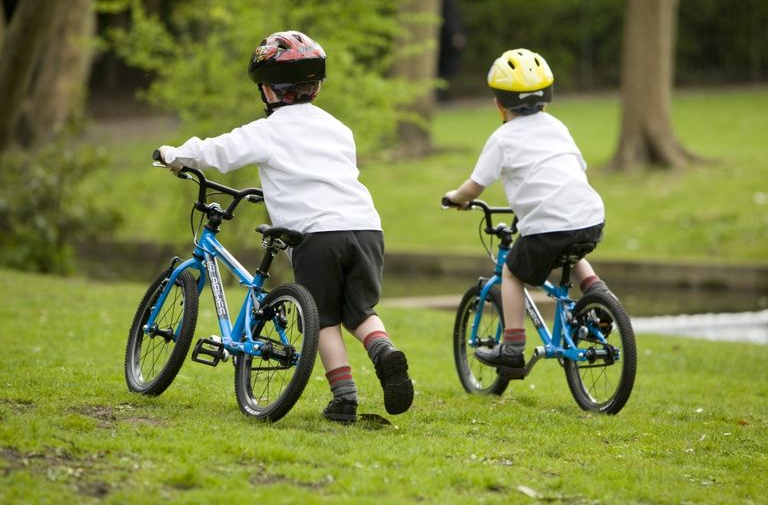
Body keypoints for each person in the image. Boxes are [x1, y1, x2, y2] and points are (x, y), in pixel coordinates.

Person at [155, 30, 414, 423]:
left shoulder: (268, 131)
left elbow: (217, 151)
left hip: (317, 235)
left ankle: (344, 397)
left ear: (270, 90)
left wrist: (175, 155)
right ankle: (384, 351)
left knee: (322, 317)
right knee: (360, 310)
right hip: (366, 228)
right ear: (316, 85)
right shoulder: (339, 129)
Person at [442, 48, 609, 371]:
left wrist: (456, 198)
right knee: (574, 254)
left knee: (513, 273)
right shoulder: (558, 127)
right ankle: (602, 301)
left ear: (499, 104)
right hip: (589, 218)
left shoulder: (503, 138)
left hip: (547, 227)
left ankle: (513, 348)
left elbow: (474, 186)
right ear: (546, 100)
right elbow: (576, 166)